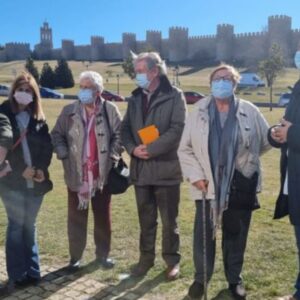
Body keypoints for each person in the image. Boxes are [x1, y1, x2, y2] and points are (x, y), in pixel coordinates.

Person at [178, 64, 270, 299]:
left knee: (236, 234)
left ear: (235, 84)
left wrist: (244, 164)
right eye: (217, 78)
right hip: (206, 185)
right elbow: (185, 149)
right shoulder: (198, 110)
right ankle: (201, 279)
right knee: (203, 236)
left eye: (227, 79)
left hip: (240, 185)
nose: (221, 82)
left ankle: (234, 280)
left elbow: (265, 141)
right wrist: (196, 175)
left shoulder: (249, 110)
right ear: (210, 83)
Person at [121, 52, 186, 280]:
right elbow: (125, 129)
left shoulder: (175, 96)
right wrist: (132, 149)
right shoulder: (135, 98)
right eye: (136, 71)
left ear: (154, 71)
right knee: (145, 220)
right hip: (141, 171)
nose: (136, 76)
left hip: (166, 171)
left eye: (139, 71)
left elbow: (178, 129)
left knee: (170, 222)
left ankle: (172, 262)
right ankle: (145, 260)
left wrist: (152, 148)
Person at [51, 71, 122, 270]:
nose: (83, 91)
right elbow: (56, 135)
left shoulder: (110, 110)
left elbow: (119, 135)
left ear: (98, 91)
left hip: (101, 175)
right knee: (76, 219)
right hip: (76, 175)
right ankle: (75, 258)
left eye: (87, 87)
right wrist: (64, 154)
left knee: (102, 218)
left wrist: (112, 156)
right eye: (81, 86)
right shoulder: (68, 111)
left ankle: (103, 256)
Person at [0, 72, 53, 295]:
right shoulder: (4, 113)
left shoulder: (39, 119)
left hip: (36, 184)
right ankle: (17, 274)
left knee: (29, 226)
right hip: (13, 182)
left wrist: (40, 169)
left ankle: (33, 270)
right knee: (16, 226)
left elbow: (46, 147)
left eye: (28, 90)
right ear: (14, 91)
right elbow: (4, 146)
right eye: (20, 89)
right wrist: (23, 170)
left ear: (34, 94)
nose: (24, 93)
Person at [270, 49, 300, 300]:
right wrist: (277, 134)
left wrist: (291, 134)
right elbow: (287, 125)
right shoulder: (298, 89)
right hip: (295, 179)